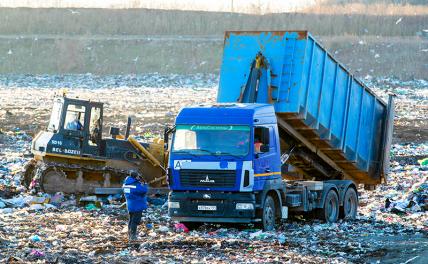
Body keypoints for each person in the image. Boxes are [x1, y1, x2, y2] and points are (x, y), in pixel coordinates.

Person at [122, 171, 148, 241]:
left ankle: (130, 234)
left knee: (131, 220)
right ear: (136, 177)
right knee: (135, 221)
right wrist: (144, 183)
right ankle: (133, 236)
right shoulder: (136, 185)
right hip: (137, 205)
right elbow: (144, 190)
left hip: (130, 205)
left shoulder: (125, 184)